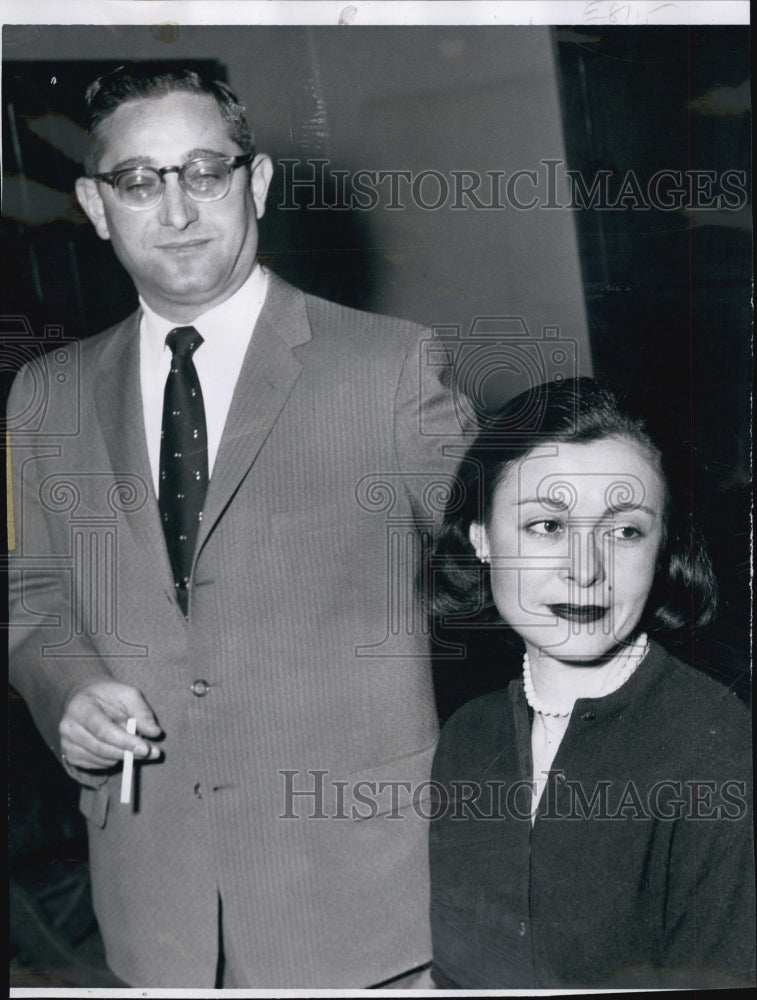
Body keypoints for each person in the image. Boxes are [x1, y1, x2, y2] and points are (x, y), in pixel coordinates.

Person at [7, 65, 465, 988]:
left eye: (204, 172)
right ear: (98, 207)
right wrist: (69, 692)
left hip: (365, 908)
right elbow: (29, 591)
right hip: (155, 910)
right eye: (139, 181)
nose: (174, 209)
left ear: (253, 185)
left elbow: (496, 581)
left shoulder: (390, 369)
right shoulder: (41, 395)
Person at [428, 377, 754, 989]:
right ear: (481, 541)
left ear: (663, 550)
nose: (586, 571)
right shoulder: (467, 736)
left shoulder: (718, 746)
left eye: (625, 530)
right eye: (546, 526)